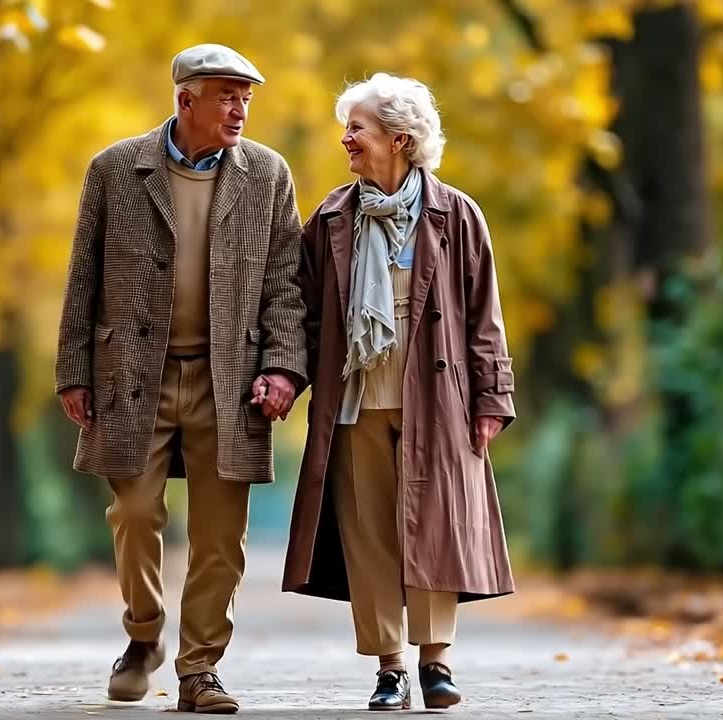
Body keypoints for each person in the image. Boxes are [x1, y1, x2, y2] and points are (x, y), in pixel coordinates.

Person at [55, 43, 306, 715]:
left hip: (232, 380)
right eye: (226, 97)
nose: (240, 110)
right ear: (185, 100)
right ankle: (143, 637)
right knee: (134, 513)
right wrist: (73, 370)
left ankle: (200, 671)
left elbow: (287, 284)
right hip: (133, 374)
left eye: (245, 98)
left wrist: (283, 367)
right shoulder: (115, 169)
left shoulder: (268, 175)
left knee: (221, 537)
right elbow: (84, 274)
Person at [282, 73, 517, 711]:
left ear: (399, 139)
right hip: (355, 401)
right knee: (369, 537)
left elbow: (483, 315)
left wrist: (492, 399)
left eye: (357, 128)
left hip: (438, 403)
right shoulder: (332, 217)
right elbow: (304, 316)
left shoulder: (457, 214)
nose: (346, 138)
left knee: (435, 528)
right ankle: (390, 668)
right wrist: (286, 377)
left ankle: (436, 662)